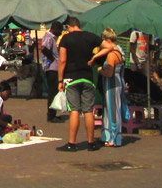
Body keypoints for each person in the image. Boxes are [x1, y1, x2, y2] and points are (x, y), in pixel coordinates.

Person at [55, 17, 103, 152]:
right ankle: (91, 143)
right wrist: (95, 58)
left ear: (70, 26)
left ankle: (72, 143)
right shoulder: (90, 37)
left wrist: (60, 80)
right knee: (88, 111)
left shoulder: (66, 39)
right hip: (87, 77)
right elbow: (109, 46)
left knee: (74, 110)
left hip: (72, 78)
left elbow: (62, 61)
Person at [92, 28, 128, 148]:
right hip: (118, 83)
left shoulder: (112, 55)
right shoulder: (120, 51)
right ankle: (108, 136)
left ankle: (113, 137)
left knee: (112, 111)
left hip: (112, 84)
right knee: (112, 109)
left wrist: (100, 70)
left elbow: (109, 73)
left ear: (107, 40)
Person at [40, 23, 63, 123]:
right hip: (52, 68)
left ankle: (53, 113)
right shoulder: (49, 36)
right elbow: (43, 48)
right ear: (55, 29)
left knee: (54, 92)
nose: (61, 32)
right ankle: (51, 115)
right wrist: (52, 58)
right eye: (60, 30)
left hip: (53, 67)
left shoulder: (51, 37)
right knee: (52, 92)